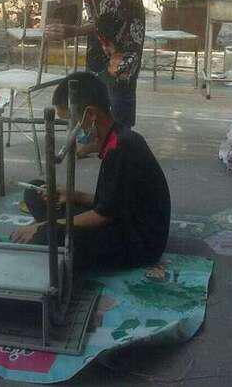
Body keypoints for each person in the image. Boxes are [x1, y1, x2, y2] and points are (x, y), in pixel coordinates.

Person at [10, 72, 171, 269]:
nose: (70, 131)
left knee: (45, 236)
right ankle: (51, 229)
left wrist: (42, 226)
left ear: (91, 114)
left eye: (71, 122)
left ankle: (51, 238)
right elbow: (112, 202)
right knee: (36, 191)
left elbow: (103, 215)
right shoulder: (117, 138)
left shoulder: (121, 148)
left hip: (138, 243)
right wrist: (73, 195)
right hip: (120, 218)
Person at [45, 0, 145, 128]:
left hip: (124, 36)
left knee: (119, 86)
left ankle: (121, 136)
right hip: (101, 33)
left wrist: (72, 31)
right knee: (95, 86)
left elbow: (103, 26)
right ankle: (96, 133)